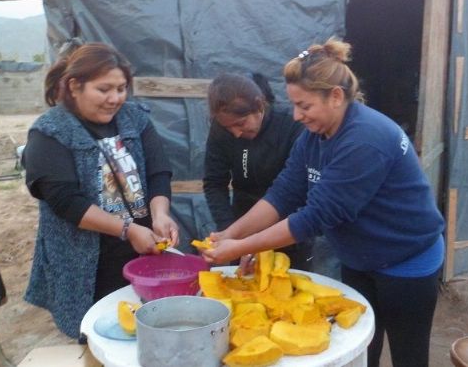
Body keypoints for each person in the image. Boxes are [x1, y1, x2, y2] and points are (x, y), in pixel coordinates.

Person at [201, 38, 445, 367]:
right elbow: (284, 192)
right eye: (295, 106)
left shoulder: (365, 139)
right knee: (359, 351)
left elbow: (314, 217)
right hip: (360, 258)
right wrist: (233, 233)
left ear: (335, 96)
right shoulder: (315, 136)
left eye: (304, 106)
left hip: (407, 261)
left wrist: (237, 248)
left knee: (408, 356)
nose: (298, 116)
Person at [22, 42, 179, 339]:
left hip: (140, 251)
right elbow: (66, 202)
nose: (115, 98)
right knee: (101, 336)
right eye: (104, 89)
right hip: (87, 262)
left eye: (121, 89)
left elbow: (158, 172)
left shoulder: (135, 119)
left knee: (145, 331)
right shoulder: (50, 131)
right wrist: (128, 230)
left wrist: (160, 215)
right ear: (74, 86)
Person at [205, 72, 322, 272]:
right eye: (228, 128)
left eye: (240, 124)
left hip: (289, 232)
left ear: (260, 105)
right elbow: (214, 183)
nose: (236, 133)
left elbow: (291, 194)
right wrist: (229, 233)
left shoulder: (292, 127)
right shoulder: (221, 130)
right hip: (242, 227)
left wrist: (256, 243)